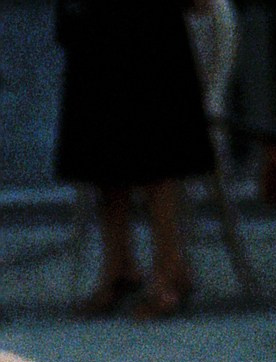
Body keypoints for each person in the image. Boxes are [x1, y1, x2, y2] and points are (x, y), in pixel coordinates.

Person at [55, 1, 212, 318]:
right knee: (102, 153)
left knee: (157, 153)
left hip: (150, 27)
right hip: (98, 23)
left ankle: (168, 269)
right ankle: (120, 265)